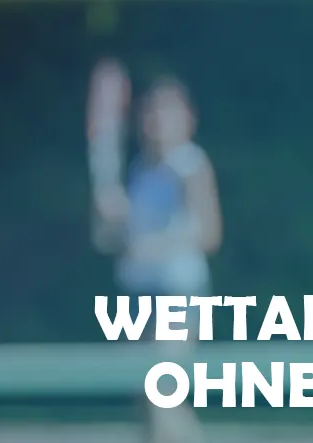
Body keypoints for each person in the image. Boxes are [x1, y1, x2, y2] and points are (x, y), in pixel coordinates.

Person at [93, 75, 223, 443]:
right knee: (147, 398)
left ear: (188, 119)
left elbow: (209, 233)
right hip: (136, 298)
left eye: (167, 112)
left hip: (178, 295)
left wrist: (152, 246)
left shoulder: (192, 165)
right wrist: (109, 221)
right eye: (151, 111)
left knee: (161, 390)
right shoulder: (138, 171)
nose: (157, 120)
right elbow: (114, 241)